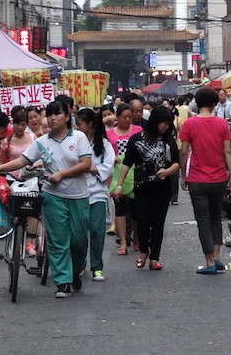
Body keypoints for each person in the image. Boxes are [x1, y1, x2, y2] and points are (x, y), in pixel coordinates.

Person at [0, 100, 92, 298]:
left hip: (78, 196)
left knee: (78, 241)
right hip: (53, 196)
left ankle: (76, 270)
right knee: (58, 240)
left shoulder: (78, 138)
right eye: (50, 114)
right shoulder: (42, 142)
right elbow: (22, 160)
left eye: (57, 114)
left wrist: (62, 175)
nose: (52, 118)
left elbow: (86, 163)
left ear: (67, 117)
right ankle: (63, 282)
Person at [179, 86, 231, 274]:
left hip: (197, 179)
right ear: (214, 104)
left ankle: (209, 261)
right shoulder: (222, 124)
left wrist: (183, 176)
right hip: (219, 178)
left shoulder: (189, 124)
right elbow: (227, 151)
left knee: (203, 220)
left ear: (197, 103)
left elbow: (183, 151)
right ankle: (218, 257)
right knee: (215, 218)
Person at [115, 104, 180, 271]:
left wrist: (167, 172)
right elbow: (126, 164)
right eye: (164, 123)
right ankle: (143, 251)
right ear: (155, 121)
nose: (166, 127)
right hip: (142, 187)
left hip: (162, 188)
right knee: (142, 221)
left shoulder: (168, 140)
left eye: (168, 124)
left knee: (158, 223)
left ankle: (154, 257)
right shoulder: (136, 140)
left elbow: (176, 164)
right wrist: (119, 185)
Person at [75, 107, 115, 282]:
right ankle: (80, 263)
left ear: (90, 124)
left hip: (97, 193)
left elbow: (107, 168)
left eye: (80, 124)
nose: (77, 127)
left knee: (98, 231)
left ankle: (97, 267)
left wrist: (87, 168)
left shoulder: (104, 145)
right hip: (77, 193)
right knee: (79, 234)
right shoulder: (74, 142)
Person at [0, 107, 39, 256]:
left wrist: (36, 165)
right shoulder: (7, 141)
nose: (21, 127)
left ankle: (31, 243)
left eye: (23, 124)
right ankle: (17, 241)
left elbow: (40, 156)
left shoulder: (33, 138)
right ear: (13, 124)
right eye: (18, 124)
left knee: (32, 210)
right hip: (12, 179)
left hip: (31, 178)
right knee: (15, 211)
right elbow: (1, 161)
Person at [108, 103, 142, 255]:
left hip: (135, 173)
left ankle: (136, 237)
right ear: (117, 117)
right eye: (124, 117)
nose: (128, 120)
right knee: (120, 209)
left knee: (136, 210)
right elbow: (105, 152)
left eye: (130, 117)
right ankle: (122, 241)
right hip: (117, 174)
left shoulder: (138, 130)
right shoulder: (109, 134)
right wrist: (112, 158)